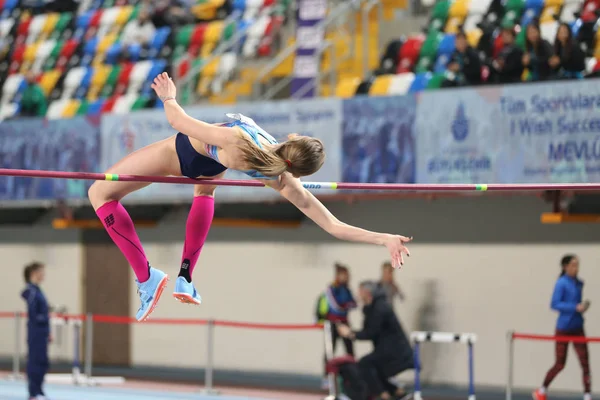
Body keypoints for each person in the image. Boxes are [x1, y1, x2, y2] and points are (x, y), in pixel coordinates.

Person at [87, 72, 412, 322]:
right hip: (211, 166)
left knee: (99, 193)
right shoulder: (282, 179)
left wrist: (168, 96)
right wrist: (384, 239)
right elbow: (333, 225)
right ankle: (185, 276)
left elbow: (178, 121)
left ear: (293, 142)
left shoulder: (240, 140)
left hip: (181, 153)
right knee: (205, 189)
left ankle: (147, 276)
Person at [337, 281, 413, 400]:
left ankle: (385, 395)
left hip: (395, 351)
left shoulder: (379, 308)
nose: (358, 294)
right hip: (389, 349)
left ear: (367, 293)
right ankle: (398, 392)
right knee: (372, 369)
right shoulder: (372, 307)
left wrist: (350, 333)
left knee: (364, 365)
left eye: (360, 291)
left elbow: (371, 332)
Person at [533, 255, 592, 400]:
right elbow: (555, 304)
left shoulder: (579, 283)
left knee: (585, 362)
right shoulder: (561, 283)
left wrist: (582, 307)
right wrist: (574, 307)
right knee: (560, 363)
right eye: (573, 265)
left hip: (578, 327)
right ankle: (542, 389)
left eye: (577, 265)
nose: (576, 268)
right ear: (565, 267)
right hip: (564, 327)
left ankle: (587, 394)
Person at [317, 263, 356, 386]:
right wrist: (345, 306)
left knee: (350, 350)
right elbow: (336, 305)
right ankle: (327, 377)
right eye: (344, 275)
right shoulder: (331, 288)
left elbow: (354, 303)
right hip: (332, 324)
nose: (346, 277)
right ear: (338, 275)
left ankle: (353, 376)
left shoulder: (347, 288)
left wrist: (346, 306)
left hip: (345, 323)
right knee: (329, 351)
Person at [21, 262, 51, 400]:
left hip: (42, 331)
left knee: (43, 362)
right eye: (41, 272)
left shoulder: (38, 290)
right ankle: (33, 392)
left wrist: (48, 331)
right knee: (35, 361)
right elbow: (33, 313)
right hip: (35, 332)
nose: (43, 275)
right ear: (34, 273)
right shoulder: (32, 291)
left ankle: (39, 390)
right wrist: (43, 319)